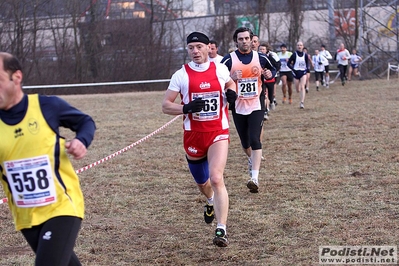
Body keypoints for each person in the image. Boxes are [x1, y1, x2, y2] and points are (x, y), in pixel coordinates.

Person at [0, 52, 96, 266]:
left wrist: (81, 141)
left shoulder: (47, 106)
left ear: (16, 77)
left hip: (62, 207)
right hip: (26, 216)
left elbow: (85, 122)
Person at [162, 32, 236, 247]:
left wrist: (232, 93)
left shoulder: (220, 69)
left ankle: (221, 229)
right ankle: (210, 201)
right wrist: (185, 108)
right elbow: (165, 105)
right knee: (203, 183)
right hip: (193, 135)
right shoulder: (181, 75)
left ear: (208, 48)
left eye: (199, 47)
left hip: (218, 132)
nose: (195, 51)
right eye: (191, 48)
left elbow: (231, 85)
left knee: (216, 178)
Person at [221, 27, 276, 193]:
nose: (244, 41)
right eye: (241, 39)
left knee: (255, 139)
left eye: (247, 38)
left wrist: (268, 74)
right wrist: (231, 78)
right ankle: (251, 160)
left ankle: (255, 178)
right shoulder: (228, 60)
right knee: (245, 143)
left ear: (252, 40)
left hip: (256, 103)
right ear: (236, 41)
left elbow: (273, 69)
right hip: (238, 105)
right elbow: (216, 80)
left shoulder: (260, 57)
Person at [287, 41, 310, 109]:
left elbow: (307, 63)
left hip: (303, 72)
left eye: (301, 45)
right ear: (296, 46)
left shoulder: (305, 55)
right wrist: (292, 68)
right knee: (297, 89)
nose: (299, 46)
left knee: (302, 86)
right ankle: (300, 93)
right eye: (298, 45)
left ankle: (302, 102)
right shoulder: (294, 54)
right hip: (296, 72)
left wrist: (307, 69)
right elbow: (288, 63)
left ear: (303, 47)